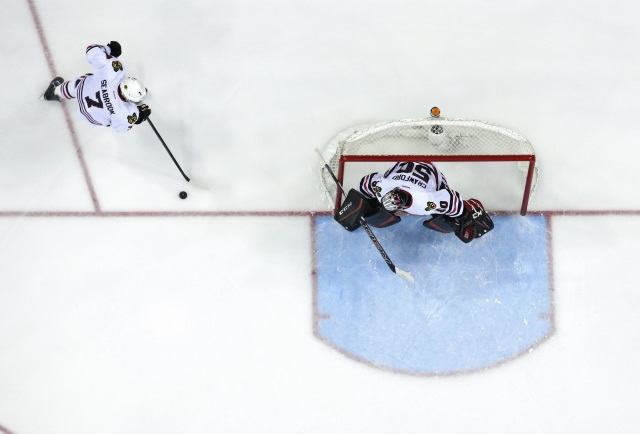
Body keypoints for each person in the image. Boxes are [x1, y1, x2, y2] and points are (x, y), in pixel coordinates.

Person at [334, 161, 494, 243]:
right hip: (405, 169)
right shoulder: (381, 189)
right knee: (375, 207)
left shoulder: (425, 204)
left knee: (449, 220)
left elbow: (451, 200)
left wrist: (464, 215)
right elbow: (366, 183)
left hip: (431, 171)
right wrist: (361, 206)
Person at [41, 41, 151, 132]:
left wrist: (109, 50)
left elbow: (91, 50)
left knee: (80, 84)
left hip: (82, 91)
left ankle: (54, 92)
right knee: (111, 115)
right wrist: (139, 117)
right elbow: (122, 127)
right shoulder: (126, 113)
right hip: (90, 117)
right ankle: (57, 92)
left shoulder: (114, 71)